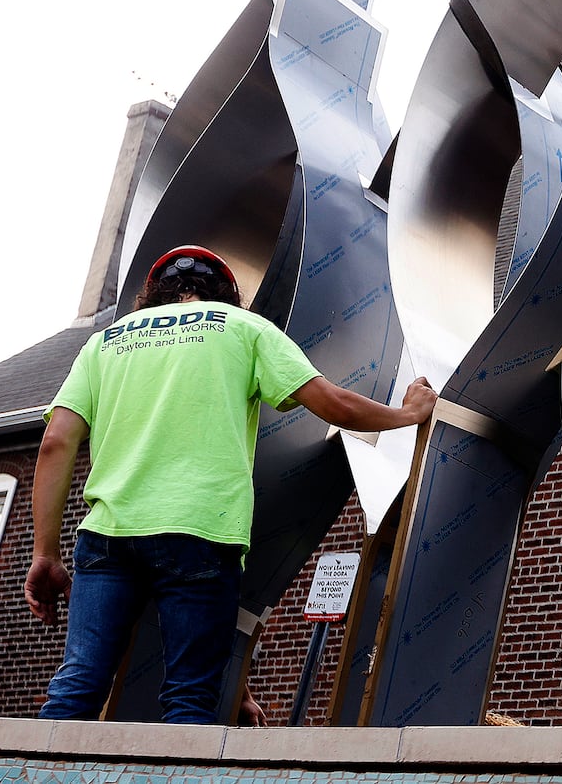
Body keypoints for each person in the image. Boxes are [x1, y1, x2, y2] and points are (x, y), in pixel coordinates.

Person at [24, 244, 437, 724]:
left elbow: (56, 443)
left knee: (77, 685)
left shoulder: (104, 343)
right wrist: (407, 415)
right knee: (188, 699)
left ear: (152, 292)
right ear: (226, 293)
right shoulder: (243, 328)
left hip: (108, 537)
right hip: (201, 532)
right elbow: (333, 405)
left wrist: (45, 555)